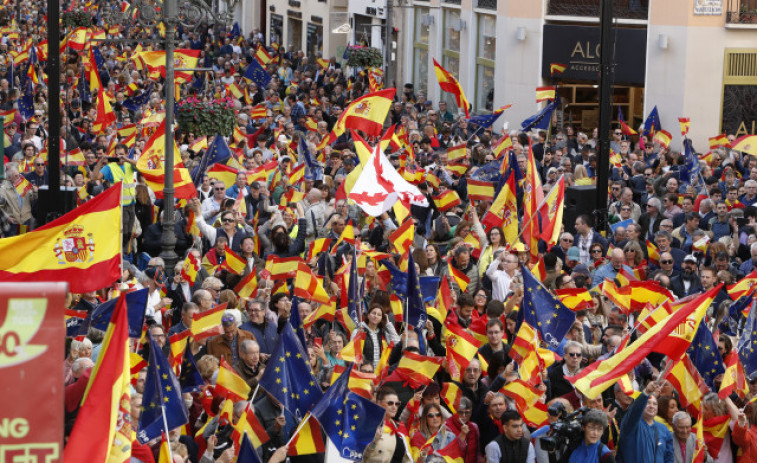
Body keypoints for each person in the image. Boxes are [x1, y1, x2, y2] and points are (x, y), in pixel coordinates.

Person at [617, 381, 674, 463]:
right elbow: (634, 412)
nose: (651, 406)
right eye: (648, 403)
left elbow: (669, 456)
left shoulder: (663, 429)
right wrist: (646, 393)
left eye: (655, 404)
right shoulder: (631, 425)